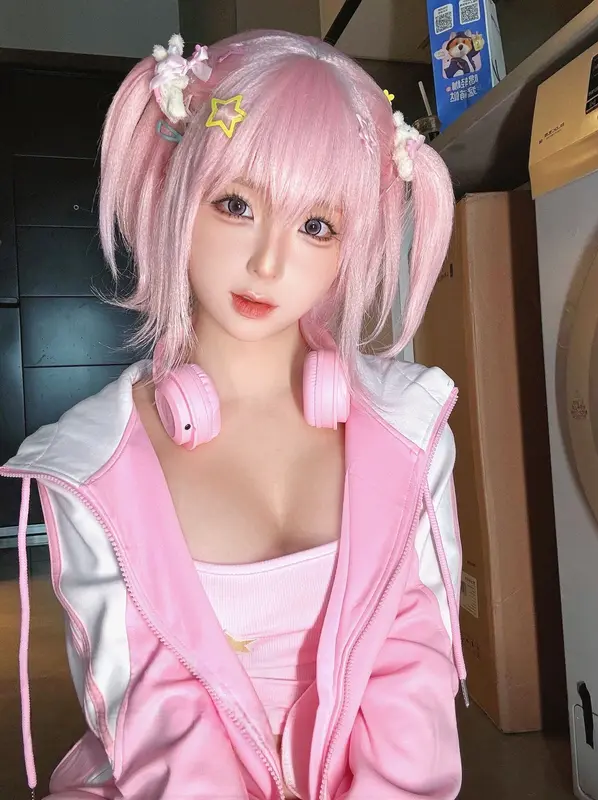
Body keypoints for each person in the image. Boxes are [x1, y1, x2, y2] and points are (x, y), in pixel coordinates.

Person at [1, 29, 466, 800]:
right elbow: (154, 715)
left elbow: (414, 671)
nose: (268, 263)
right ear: (175, 192)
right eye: (236, 204)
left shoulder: (410, 429)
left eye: (316, 226)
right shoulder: (93, 467)